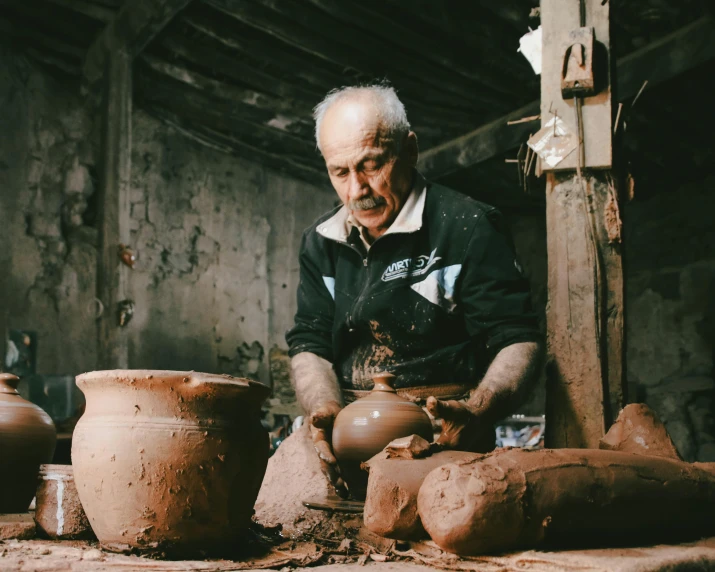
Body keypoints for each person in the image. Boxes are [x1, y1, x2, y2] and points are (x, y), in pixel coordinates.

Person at [286, 85, 543, 496]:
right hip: (349, 440)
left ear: (409, 150)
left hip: (444, 440)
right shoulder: (320, 242)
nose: (356, 190)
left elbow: (517, 338)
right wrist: (324, 411)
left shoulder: (467, 225)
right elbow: (310, 342)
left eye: (371, 165)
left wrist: (477, 411)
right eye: (340, 172)